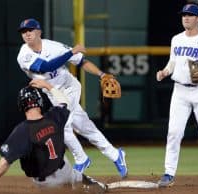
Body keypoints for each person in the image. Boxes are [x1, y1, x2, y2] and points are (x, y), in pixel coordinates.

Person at [16, 18, 127, 178]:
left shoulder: (54, 47)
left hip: (69, 88)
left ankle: (81, 159)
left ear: (39, 32)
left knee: (62, 126)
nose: (27, 34)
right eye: (23, 32)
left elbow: (82, 61)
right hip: (54, 94)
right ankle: (116, 155)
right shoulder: (24, 54)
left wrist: (101, 74)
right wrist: (71, 52)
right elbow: (45, 67)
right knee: (85, 127)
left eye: (30, 30)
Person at [0, 79, 106, 193]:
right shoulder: (54, 117)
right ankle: (92, 184)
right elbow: (64, 102)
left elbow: (5, 160)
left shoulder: (23, 130)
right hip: (65, 170)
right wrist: (48, 85)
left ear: (21, 105)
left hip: (47, 183)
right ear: (39, 101)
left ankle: (80, 186)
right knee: (75, 175)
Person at [156, 4, 198, 187]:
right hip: (179, 91)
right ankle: (168, 174)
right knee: (174, 133)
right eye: (184, 15)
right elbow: (173, 62)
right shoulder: (176, 39)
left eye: (190, 15)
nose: (186, 18)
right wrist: (164, 72)